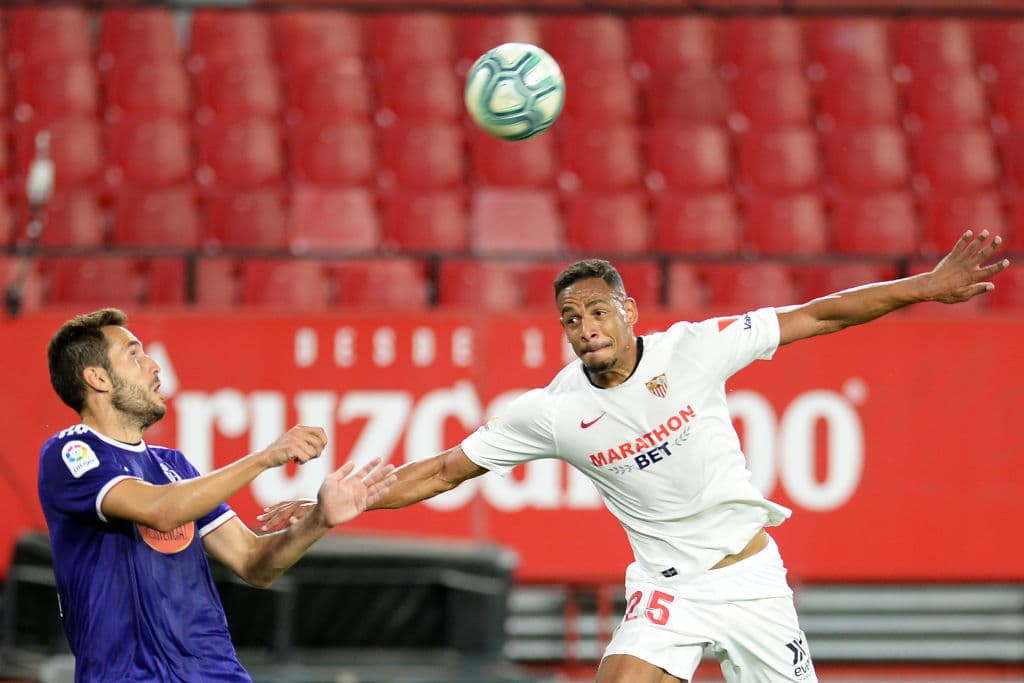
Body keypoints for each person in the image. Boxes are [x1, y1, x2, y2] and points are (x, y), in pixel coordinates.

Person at [263, 230, 1010, 683]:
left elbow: (818, 314)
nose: (583, 328)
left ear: (627, 312)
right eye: (569, 319)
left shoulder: (695, 349)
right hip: (666, 588)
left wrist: (930, 285)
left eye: (595, 311)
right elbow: (444, 469)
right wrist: (334, 509)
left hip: (750, 579)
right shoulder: (554, 412)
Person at [37, 308, 397, 682]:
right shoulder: (71, 453)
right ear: (97, 378)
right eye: (134, 354)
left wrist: (318, 520)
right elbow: (161, 510)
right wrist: (265, 457)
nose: (154, 365)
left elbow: (252, 560)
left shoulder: (173, 465)